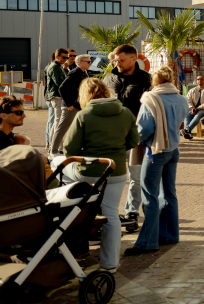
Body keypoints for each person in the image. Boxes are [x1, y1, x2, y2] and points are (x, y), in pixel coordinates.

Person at [62, 78, 138, 272]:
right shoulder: (126, 112)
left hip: (89, 173)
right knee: (111, 213)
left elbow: (69, 149)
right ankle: (110, 263)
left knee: (58, 166)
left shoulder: (84, 115)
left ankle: (74, 217)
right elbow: (133, 141)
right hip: (116, 170)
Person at [123, 66, 188, 257]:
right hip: (173, 148)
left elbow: (143, 128)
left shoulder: (150, 99)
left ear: (155, 81)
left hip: (155, 149)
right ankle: (169, 235)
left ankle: (147, 242)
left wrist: (136, 141)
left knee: (149, 194)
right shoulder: (181, 98)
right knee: (169, 193)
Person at [104, 44, 152, 226]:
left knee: (136, 176)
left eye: (121, 60)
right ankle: (108, 213)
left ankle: (131, 212)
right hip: (111, 136)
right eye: (116, 60)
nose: (118, 64)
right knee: (108, 176)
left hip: (135, 137)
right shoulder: (109, 78)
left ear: (134, 59)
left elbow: (151, 109)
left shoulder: (147, 80)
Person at [51, 54, 92, 154]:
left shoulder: (84, 73)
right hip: (71, 107)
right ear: (79, 63)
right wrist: (69, 104)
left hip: (79, 106)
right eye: (88, 62)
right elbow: (62, 88)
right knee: (62, 129)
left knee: (80, 129)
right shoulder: (75, 73)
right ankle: (53, 151)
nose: (90, 63)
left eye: (90, 61)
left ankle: (71, 149)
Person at [44, 48, 69, 150]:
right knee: (58, 122)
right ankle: (55, 146)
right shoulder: (54, 67)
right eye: (64, 57)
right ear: (57, 57)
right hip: (57, 96)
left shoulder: (58, 66)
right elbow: (60, 83)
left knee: (57, 122)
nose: (66, 59)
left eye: (67, 58)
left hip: (57, 96)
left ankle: (54, 145)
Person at [182, 75, 204, 140]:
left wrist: (198, 108)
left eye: (202, 79)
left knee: (198, 115)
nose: (200, 81)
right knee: (187, 113)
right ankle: (188, 133)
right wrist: (192, 108)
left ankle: (187, 130)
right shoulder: (192, 90)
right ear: (196, 81)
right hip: (193, 108)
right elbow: (188, 100)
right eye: (198, 79)